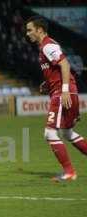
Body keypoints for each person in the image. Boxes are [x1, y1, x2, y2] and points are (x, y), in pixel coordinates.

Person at [25, 16, 87, 182]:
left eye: (30, 29)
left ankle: (69, 172)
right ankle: (69, 171)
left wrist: (64, 90)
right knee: (67, 132)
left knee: (49, 132)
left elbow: (65, 64)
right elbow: (57, 70)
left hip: (62, 93)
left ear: (40, 30)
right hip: (65, 91)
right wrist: (48, 83)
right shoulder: (45, 47)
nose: (27, 33)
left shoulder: (47, 45)